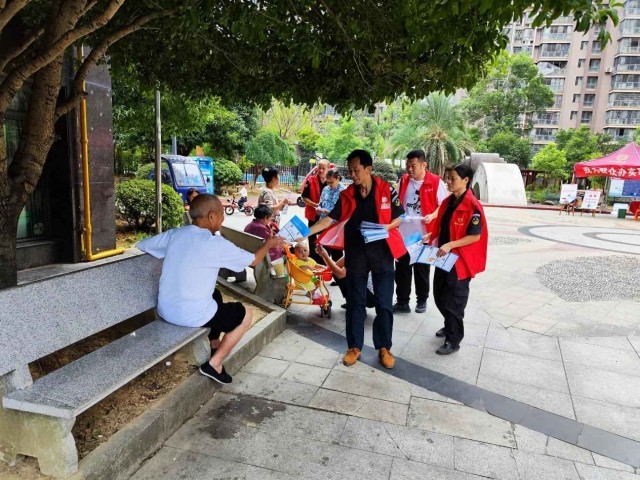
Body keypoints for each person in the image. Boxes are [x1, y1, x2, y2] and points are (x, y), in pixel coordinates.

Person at [137, 194, 284, 384]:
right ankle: (215, 364)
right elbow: (253, 261)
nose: (223, 218)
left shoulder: (175, 234)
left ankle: (214, 342)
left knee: (215, 294)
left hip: (166, 310)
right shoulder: (215, 244)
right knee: (245, 314)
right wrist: (268, 244)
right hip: (190, 315)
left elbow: (142, 244)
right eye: (222, 214)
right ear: (212, 216)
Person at [307, 149, 406, 369]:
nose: (352, 174)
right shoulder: (347, 194)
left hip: (382, 252)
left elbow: (398, 218)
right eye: (350, 170)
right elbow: (329, 220)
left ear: (369, 169)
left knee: (384, 303)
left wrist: (385, 227)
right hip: (356, 253)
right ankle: (354, 347)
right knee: (355, 303)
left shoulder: (386, 190)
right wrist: (304, 233)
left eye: (356, 170)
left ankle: (384, 348)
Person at [423, 164, 488, 355]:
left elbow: (475, 236)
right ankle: (449, 324)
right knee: (440, 295)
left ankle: (454, 339)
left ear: (466, 180)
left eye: (452, 179)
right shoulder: (448, 202)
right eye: (447, 178)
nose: (448, 182)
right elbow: (442, 225)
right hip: (443, 257)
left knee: (454, 301)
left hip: (460, 261)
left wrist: (451, 245)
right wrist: (431, 236)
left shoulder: (472, 205)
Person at [394, 149, 449, 314]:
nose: (409, 170)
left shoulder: (436, 182)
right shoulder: (404, 181)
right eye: (407, 166)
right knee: (402, 270)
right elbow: (397, 202)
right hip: (405, 234)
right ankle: (402, 301)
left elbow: (444, 206)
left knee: (422, 270)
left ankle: (421, 300)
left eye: (413, 166)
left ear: (423, 164)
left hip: (425, 235)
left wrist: (432, 215)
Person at [315, 244, 375, 310]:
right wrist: (323, 255)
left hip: (371, 297)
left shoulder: (359, 251)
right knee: (337, 273)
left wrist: (326, 256)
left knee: (345, 277)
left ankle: (357, 306)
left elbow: (341, 274)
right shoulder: (353, 249)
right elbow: (334, 267)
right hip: (365, 289)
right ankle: (352, 302)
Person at [301, 159, 330, 263]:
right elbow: (304, 197)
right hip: (313, 215)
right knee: (312, 239)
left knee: (326, 239)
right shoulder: (311, 180)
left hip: (327, 217)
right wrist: (315, 205)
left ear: (328, 169)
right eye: (319, 167)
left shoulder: (331, 181)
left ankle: (325, 261)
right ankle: (314, 262)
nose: (321, 170)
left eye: (323, 168)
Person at [316, 168, 345, 263]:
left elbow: (345, 211)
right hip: (324, 225)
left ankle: (337, 275)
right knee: (323, 253)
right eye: (327, 182)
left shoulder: (344, 191)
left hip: (336, 228)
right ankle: (325, 274)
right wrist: (319, 209)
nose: (329, 185)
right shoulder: (325, 189)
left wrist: (330, 213)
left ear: (338, 178)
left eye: (331, 182)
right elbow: (320, 203)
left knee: (336, 254)